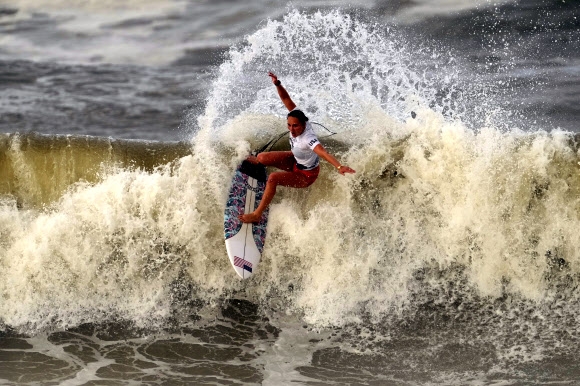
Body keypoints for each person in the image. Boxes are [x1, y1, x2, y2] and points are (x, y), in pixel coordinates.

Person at [239, 72, 356, 223]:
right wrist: (277, 84)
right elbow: (286, 99)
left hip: (305, 176)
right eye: (289, 125)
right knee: (261, 157)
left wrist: (339, 166)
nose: (292, 129)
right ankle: (259, 162)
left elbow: (322, 152)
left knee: (273, 178)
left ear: (304, 124)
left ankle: (257, 214)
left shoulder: (308, 139)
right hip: (295, 159)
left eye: (295, 126)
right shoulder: (297, 115)